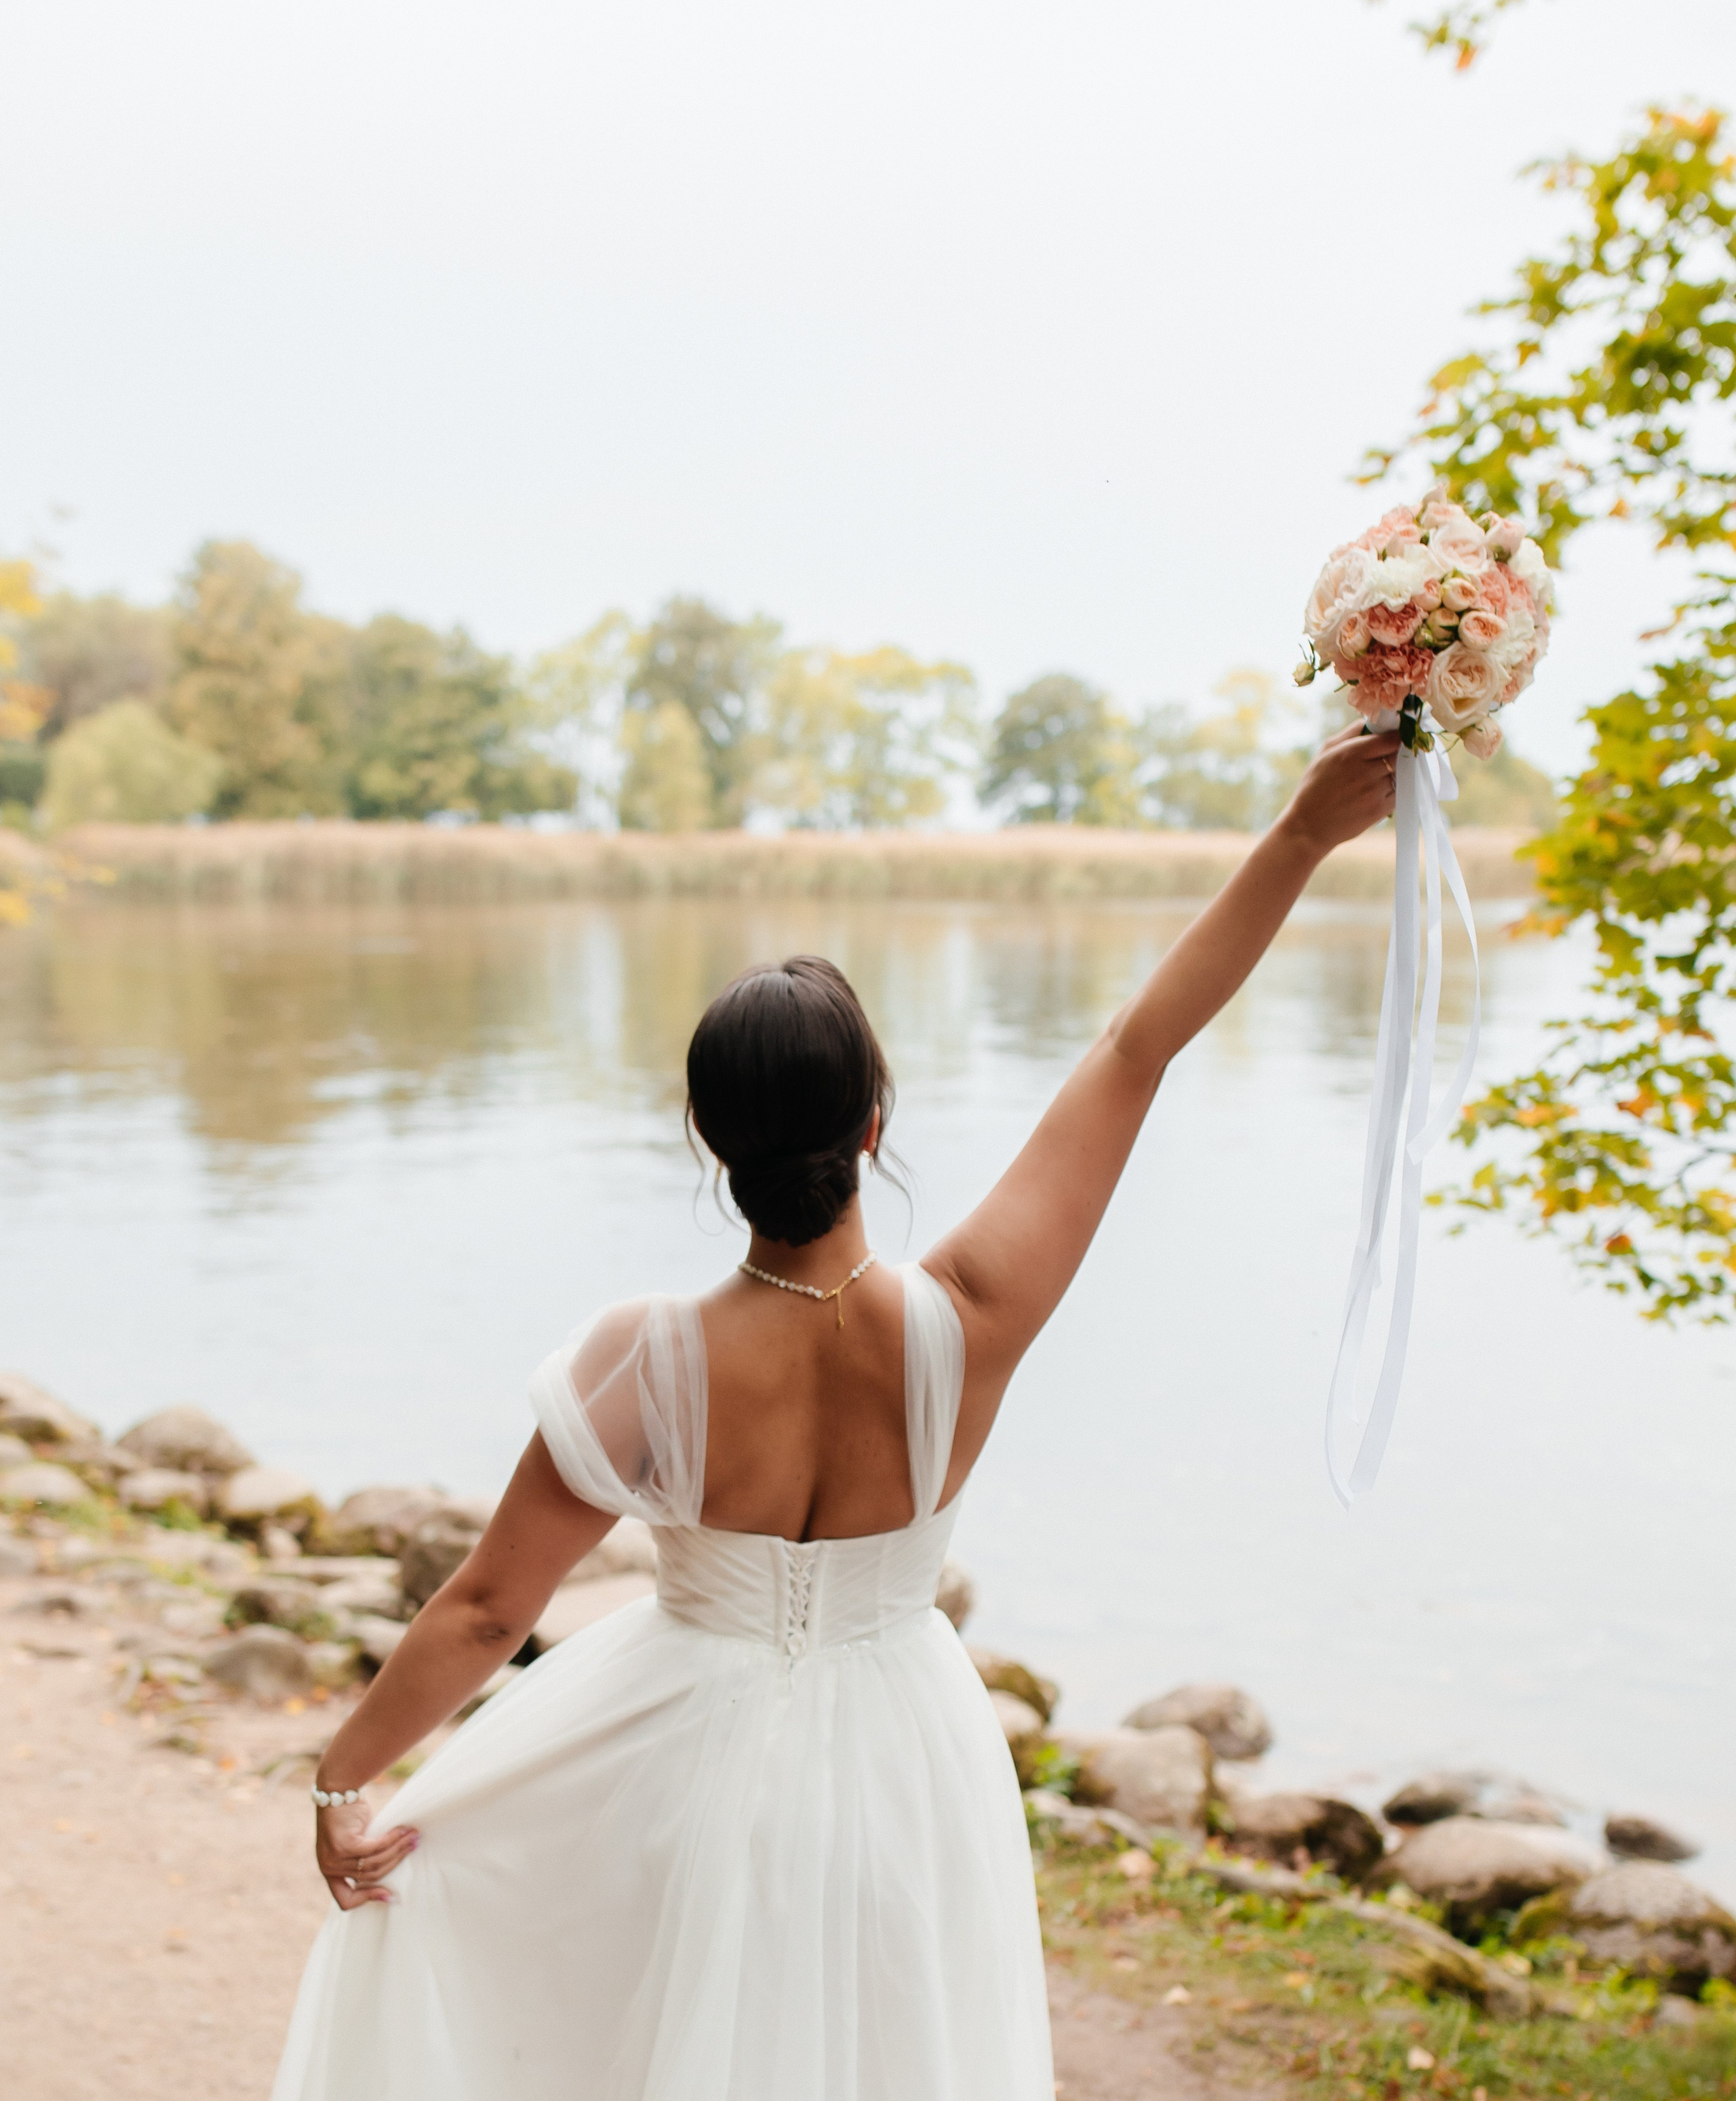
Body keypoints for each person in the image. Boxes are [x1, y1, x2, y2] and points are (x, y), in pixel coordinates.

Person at [271, 722, 1398, 2100]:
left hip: (676, 1762)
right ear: (874, 1123)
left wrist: (344, 1778)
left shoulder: (638, 1362)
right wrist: (1300, 834)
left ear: (707, 1136)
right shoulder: (970, 1320)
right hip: (908, 1770)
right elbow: (1135, 1047)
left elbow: (487, 1611)